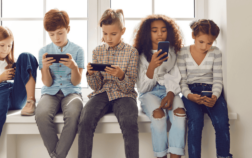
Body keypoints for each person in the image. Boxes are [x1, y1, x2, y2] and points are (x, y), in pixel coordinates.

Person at [78, 9, 139, 158]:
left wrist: (120, 75)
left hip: (124, 94)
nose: (108, 38)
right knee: (85, 120)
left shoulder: (131, 52)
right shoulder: (97, 51)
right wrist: (91, 74)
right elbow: (96, 86)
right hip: (102, 92)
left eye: (113, 34)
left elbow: (129, 86)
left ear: (122, 31)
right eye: (105, 34)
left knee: (130, 123)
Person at [0, 26, 38, 158]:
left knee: (26, 56)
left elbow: (24, 72)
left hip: (17, 94)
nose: (6, 49)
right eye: (2, 45)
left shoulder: (12, 63)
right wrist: (1, 78)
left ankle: (31, 101)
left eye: (9, 46)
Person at [177, 19, 232, 158]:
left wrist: (214, 96)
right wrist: (189, 96)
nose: (205, 47)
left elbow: (218, 80)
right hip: (190, 91)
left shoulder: (216, 52)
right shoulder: (182, 53)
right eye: (201, 42)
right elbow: (182, 82)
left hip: (212, 91)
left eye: (209, 43)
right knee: (195, 121)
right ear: (193, 36)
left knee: (222, 123)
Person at [134, 14, 186, 158]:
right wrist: (151, 67)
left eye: (163, 30)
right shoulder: (140, 55)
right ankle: (161, 155)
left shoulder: (173, 52)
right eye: (154, 30)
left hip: (170, 91)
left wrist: (170, 93)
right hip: (149, 93)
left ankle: (175, 155)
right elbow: (142, 88)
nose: (159, 34)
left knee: (180, 113)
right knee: (158, 116)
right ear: (147, 32)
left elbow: (176, 76)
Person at [35, 9, 84, 158]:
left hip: (72, 92)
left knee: (75, 113)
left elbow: (76, 81)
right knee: (41, 114)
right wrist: (45, 68)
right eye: (51, 34)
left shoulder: (78, 50)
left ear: (68, 29)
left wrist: (74, 67)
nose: (56, 38)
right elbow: (47, 83)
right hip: (50, 92)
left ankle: (57, 156)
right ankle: (58, 155)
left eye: (60, 33)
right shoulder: (44, 51)